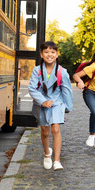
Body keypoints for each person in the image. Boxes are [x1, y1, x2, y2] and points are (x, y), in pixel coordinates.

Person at [28, 41, 73, 171]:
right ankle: (47, 153)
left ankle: (57, 161)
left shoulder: (62, 72)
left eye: (53, 52)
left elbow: (66, 90)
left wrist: (68, 107)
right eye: (46, 52)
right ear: (41, 54)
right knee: (45, 131)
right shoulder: (37, 70)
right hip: (41, 104)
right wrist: (43, 101)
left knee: (56, 129)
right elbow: (32, 89)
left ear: (57, 54)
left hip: (57, 103)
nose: (50, 54)